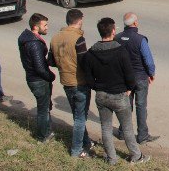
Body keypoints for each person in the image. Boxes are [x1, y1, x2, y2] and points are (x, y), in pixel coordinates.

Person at [83, 18, 150, 165]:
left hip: (101, 96)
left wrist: (98, 87)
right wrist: (128, 89)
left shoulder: (91, 53)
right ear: (113, 31)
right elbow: (130, 76)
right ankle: (136, 156)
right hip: (119, 95)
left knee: (106, 128)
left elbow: (88, 79)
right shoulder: (120, 52)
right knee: (127, 128)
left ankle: (111, 158)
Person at [48, 9, 94, 158]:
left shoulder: (55, 38)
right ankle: (76, 150)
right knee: (80, 118)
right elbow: (84, 62)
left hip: (66, 82)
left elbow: (50, 61)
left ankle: (86, 141)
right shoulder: (78, 39)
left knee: (77, 115)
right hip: (80, 82)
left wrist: (64, 64)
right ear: (79, 20)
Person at [115, 13, 158, 144]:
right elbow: (148, 60)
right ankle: (142, 136)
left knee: (126, 106)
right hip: (140, 78)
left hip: (123, 79)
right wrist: (151, 73)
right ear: (135, 23)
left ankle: (122, 132)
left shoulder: (117, 38)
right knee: (141, 106)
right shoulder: (140, 39)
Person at [18, 13, 56, 142]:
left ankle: (46, 131)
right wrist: (51, 76)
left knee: (44, 107)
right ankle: (42, 136)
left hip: (33, 78)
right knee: (43, 109)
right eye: (44, 25)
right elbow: (39, 67)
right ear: (35, 27)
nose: (47, 27)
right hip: (39, 80)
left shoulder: (26, 39)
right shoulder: (34, 44)